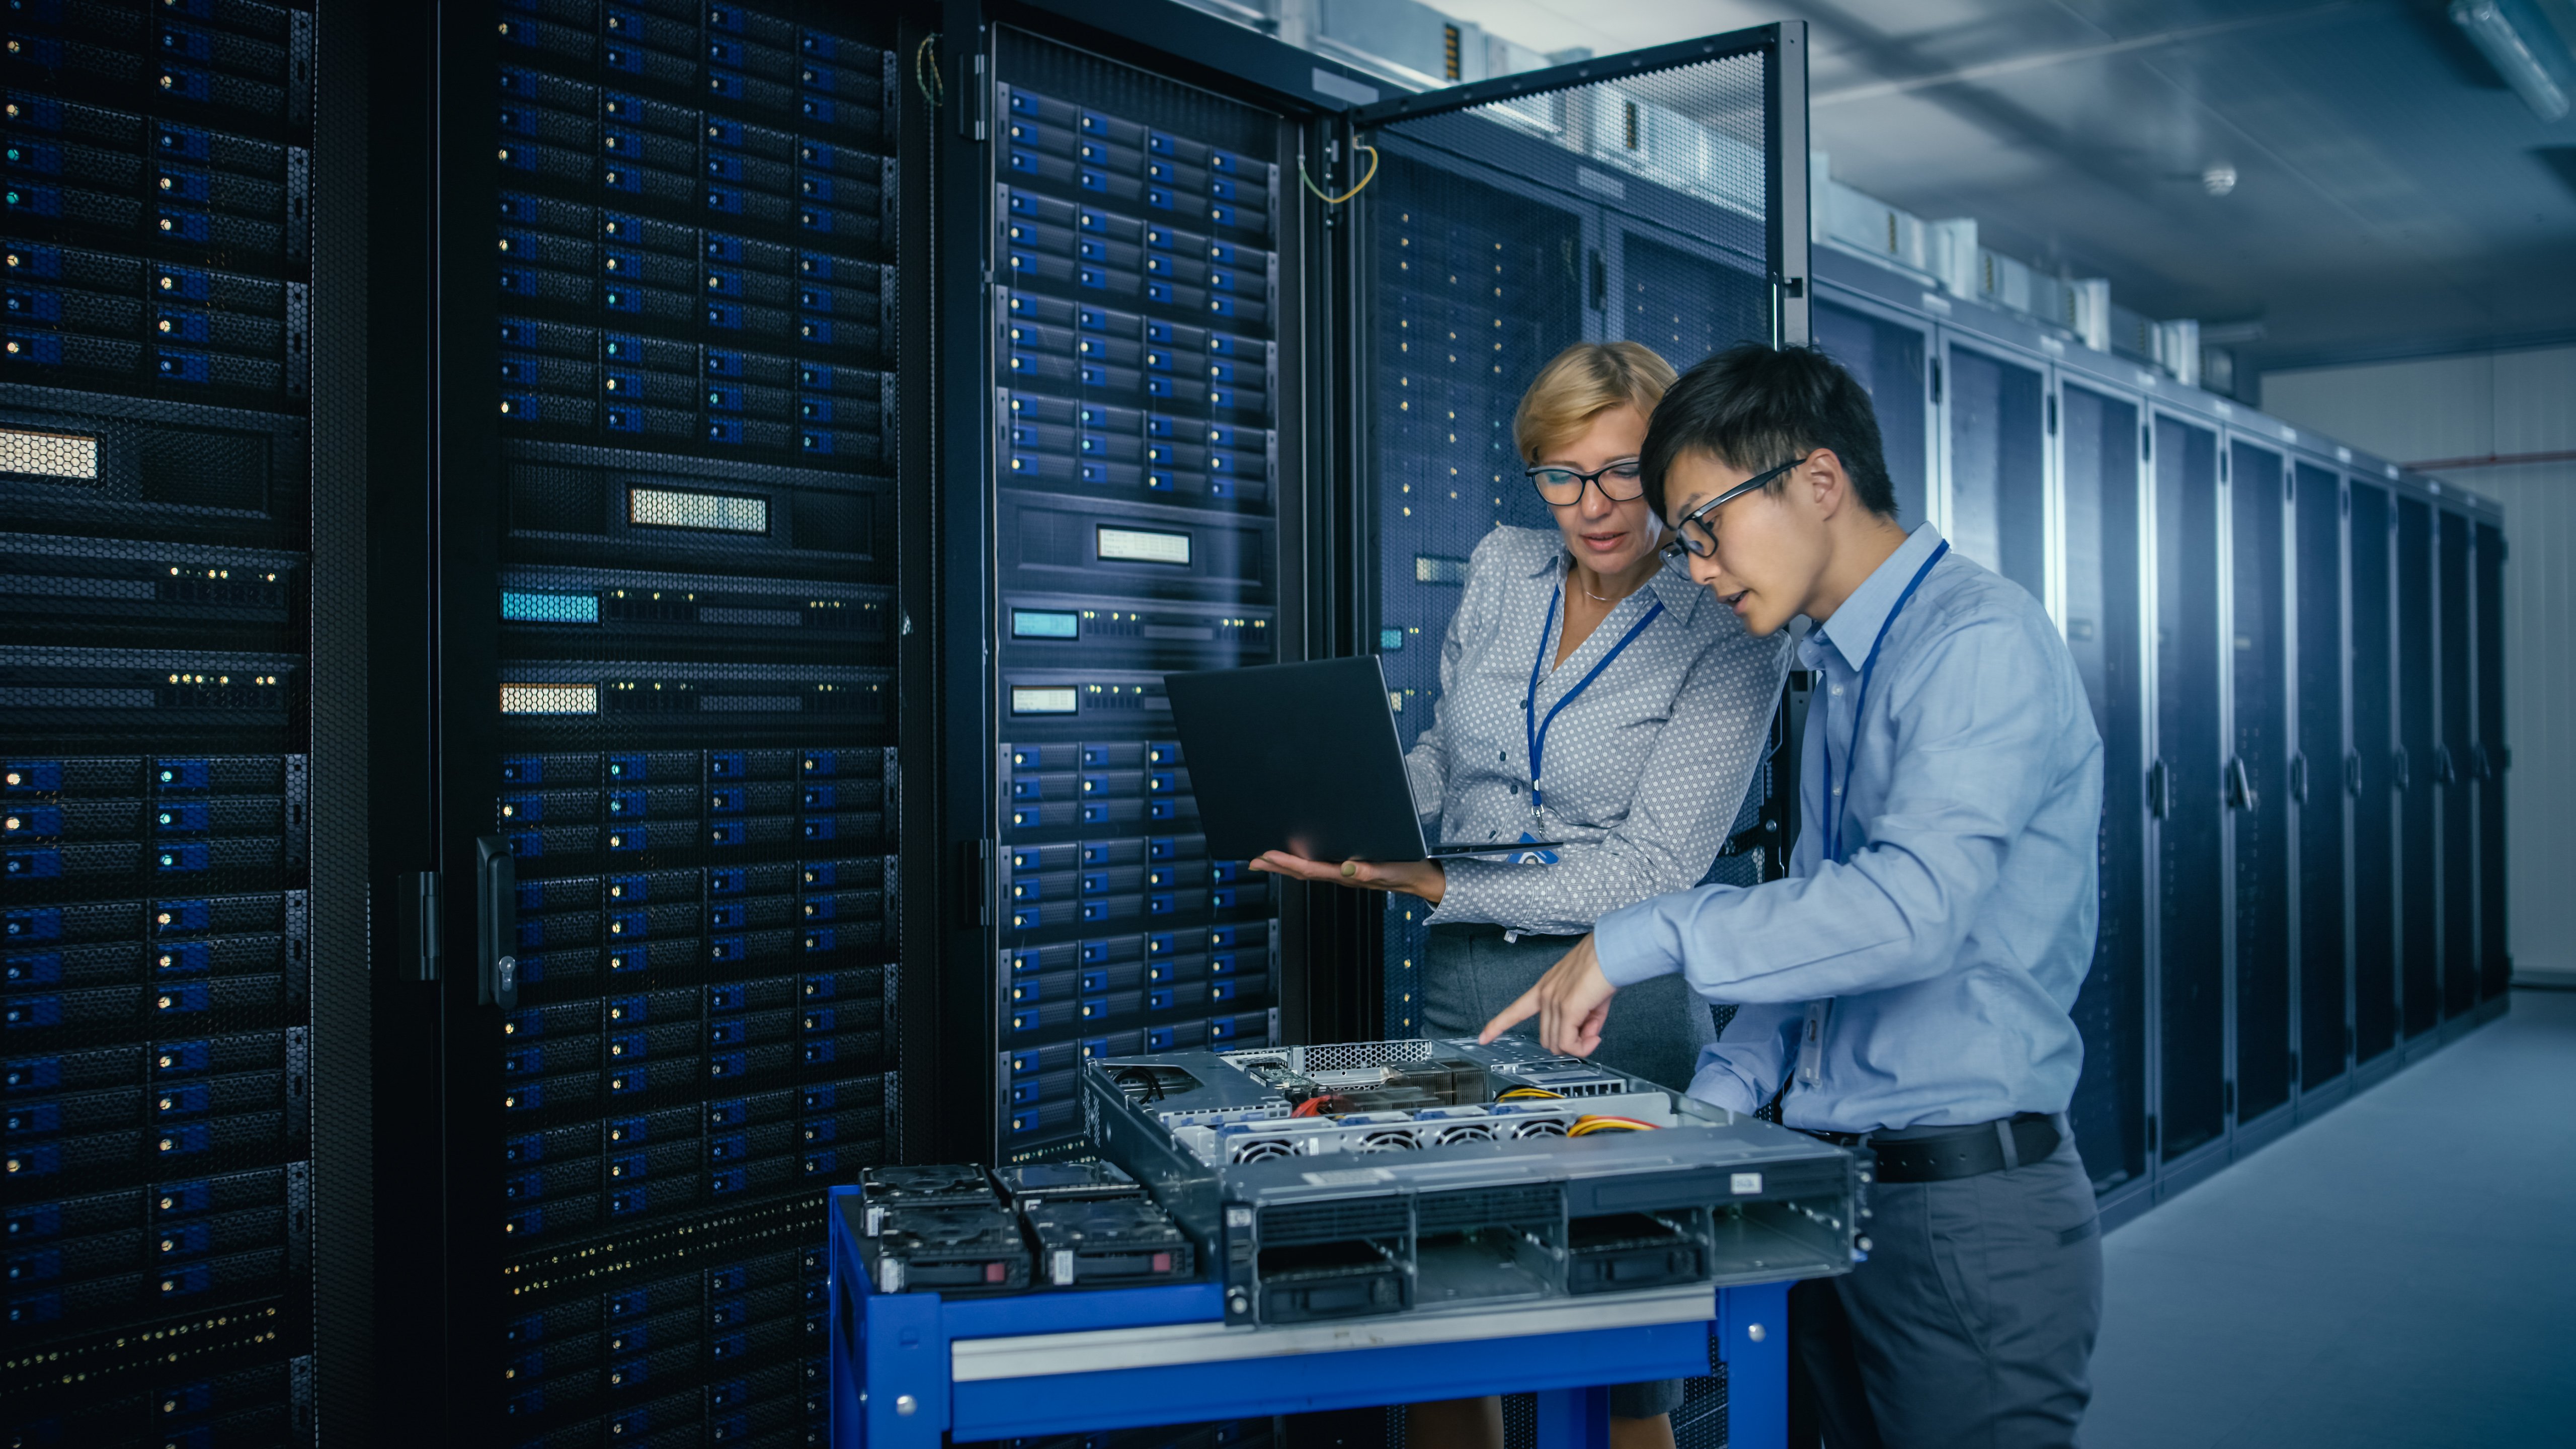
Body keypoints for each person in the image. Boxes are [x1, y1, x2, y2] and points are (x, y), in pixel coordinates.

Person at [1483, 342, 2107, 1449]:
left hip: (1961, 1212)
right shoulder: (1843, 669)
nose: (1700, 568)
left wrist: (1645, 932)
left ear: (1818, 481)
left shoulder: (1974, 643)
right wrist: (1696, 1113)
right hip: (1840, 1198)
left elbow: (1909, 912)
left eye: (1706, 528)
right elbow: (1826, 940)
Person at [1251, 340, 1790, 1449]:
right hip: (1463, 988)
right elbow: (1452, 761)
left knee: (1616, 1355)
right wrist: (1339, 815)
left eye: (1622, 472)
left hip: (1616, 1001)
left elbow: (1656, 870)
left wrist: (1435, 877)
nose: (1590, 507)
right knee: (1450, 1321)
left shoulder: (1725, 621)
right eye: (1559, 474)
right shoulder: (1505, 569)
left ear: (1675, 465)